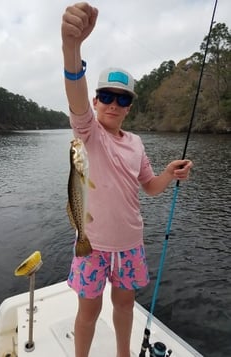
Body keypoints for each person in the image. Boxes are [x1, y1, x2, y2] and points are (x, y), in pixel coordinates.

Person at [61, 3, 193, 357]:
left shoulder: (136, 143)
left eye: (122, 99)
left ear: (130, 106)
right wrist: (71, 49)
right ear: (96, 100)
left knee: (123, 307)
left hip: (130, 246)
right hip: (92, 246)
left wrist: (169, 173)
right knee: (88, 313)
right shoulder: (88, 133)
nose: (113, 104)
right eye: (106, 96)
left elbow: (149, 187)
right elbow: (76, 100)